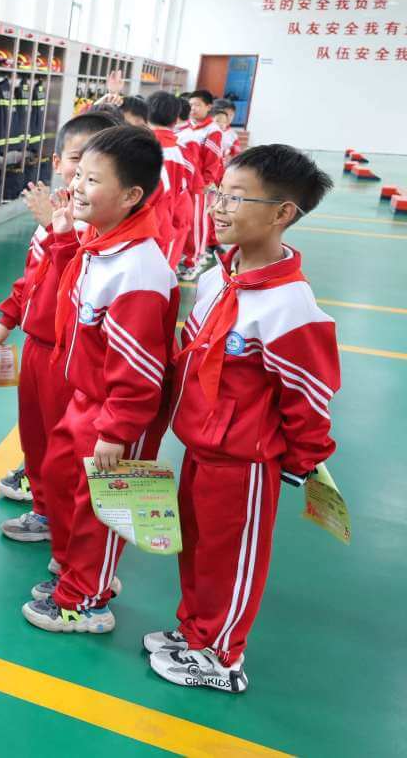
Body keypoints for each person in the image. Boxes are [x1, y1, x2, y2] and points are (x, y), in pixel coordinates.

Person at [147, 146, 339, 693]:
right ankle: (196, 630)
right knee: (198, 546)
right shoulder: (218, 277)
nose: (218, 206)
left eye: (235, 198)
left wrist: (303, 460)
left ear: (282, 213)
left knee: (231, 558)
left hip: (245, 461)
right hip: (201, 446)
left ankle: (220, 656)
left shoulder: (290, 305)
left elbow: (308, 395)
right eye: (218, 193)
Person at [20, 125, 178, 634]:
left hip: (114, 412)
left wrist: (118, 428)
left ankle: (86, 601)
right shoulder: (100, 244)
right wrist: (65, 237)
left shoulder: (138, 269)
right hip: (87, 399)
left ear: (131, 195)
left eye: (92, 180)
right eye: (78, 175)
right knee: (65, 483)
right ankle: (77, 574)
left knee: (99, 509)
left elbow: (139, 366)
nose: (77, 187)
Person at [0, 112, 119, 544]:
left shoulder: (97, 226)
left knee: (66, 443)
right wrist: (8, 318)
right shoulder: (60, 211)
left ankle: (67, 522)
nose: (83, 177)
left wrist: (52, 225)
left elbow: (75, 279)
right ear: (58, 161)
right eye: (78, 162)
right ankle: (44, 508)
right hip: (36, 347)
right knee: (36, 434)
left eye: (96, 170)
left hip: (69, 352)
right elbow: (34, 274)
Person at [177, 89, 225, 280]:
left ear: (208, 106)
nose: (193, 108)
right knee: (184, 221)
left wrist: (206, 182)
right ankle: (186, 255)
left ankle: (195, 260)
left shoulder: (213, 130)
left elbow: (213, 159)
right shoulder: (185, 128)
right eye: (191, 105)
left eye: (197, 105)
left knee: (197, 222)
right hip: (183, 184)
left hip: (198, 184)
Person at [147, 91, 195, 269]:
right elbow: (191, 184)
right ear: (176, 119)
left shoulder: (136, 145)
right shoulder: (180, 150)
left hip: (142, 223)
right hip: (170, 222)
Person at [211, 98, 242, 163]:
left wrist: (232, 154)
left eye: (231, 115)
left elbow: (236, 152)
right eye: (225, 114)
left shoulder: (233, 135)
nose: (228, 117)